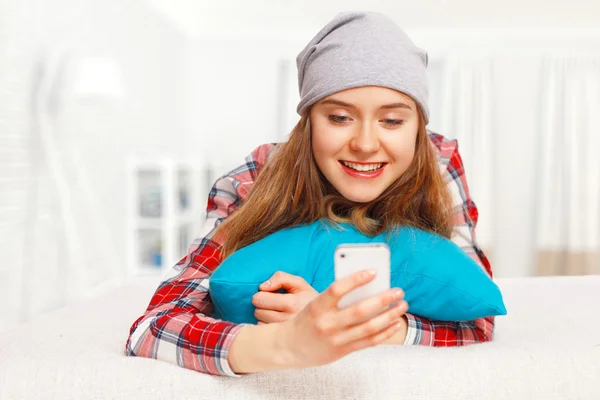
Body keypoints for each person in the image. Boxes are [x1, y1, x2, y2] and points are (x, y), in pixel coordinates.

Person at [125, 11, 495, 377]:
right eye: (339, 117)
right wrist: (290, 341)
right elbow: (153, 326)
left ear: (417, 126)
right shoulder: (253, 177)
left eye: (392, 121)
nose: (365, 144)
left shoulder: (438, 160)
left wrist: (363, 325)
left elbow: (479, 322)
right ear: (309, 122)